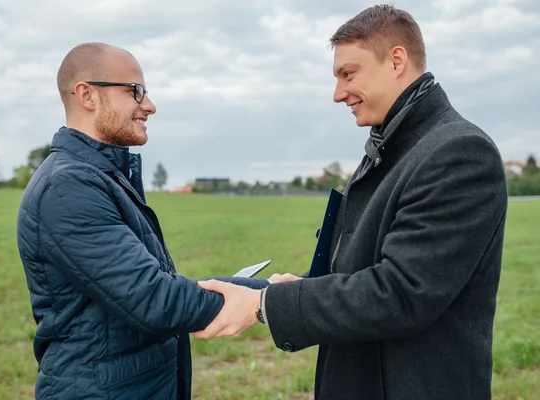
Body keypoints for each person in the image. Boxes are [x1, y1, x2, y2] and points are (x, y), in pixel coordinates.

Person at [193, 5, 508, 400]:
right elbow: (366, 268)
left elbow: (401, 293)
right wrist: (305, 287)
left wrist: (265, 305)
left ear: (396, 60)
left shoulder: (458, 152)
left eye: (349, 74)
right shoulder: (391, 146)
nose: (338, 94)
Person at [16, 42, 268, 400]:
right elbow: (155, 300)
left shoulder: (103, 176)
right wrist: (269, 300)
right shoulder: (68, 187)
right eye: (135, 91)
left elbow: (149, 289)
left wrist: (265, 289)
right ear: (87, 95)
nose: (149, 105)